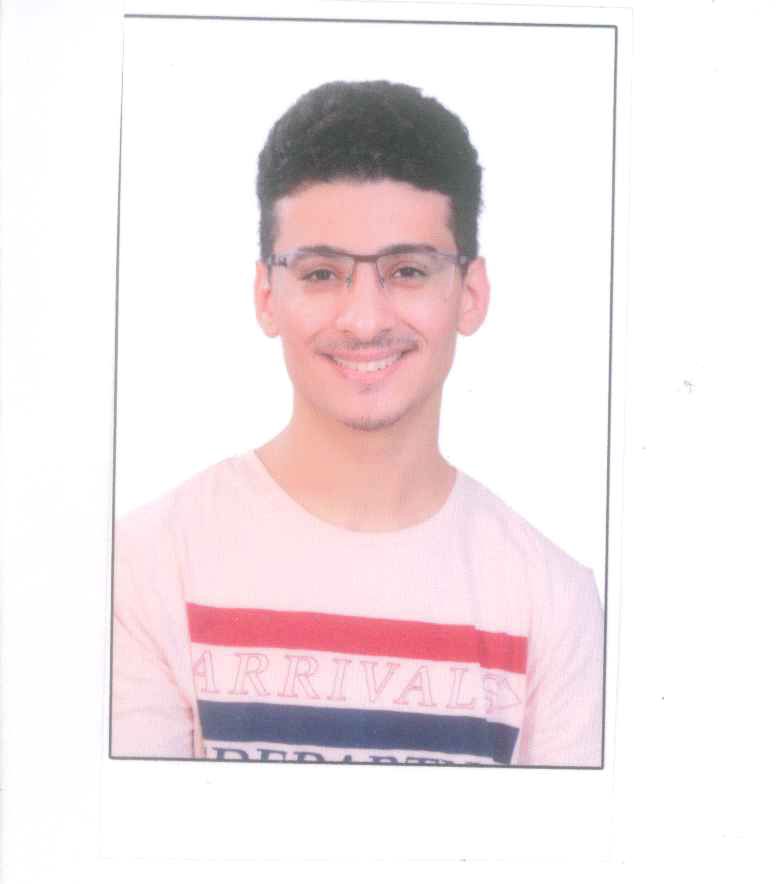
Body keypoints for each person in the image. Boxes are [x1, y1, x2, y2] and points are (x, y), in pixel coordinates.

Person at [111, 80, 604, 766]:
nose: (366, 320)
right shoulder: (146, 566)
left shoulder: (553, 601)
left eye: (408, 270)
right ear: (266, 295)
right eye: (321, 273)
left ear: (470, 293)